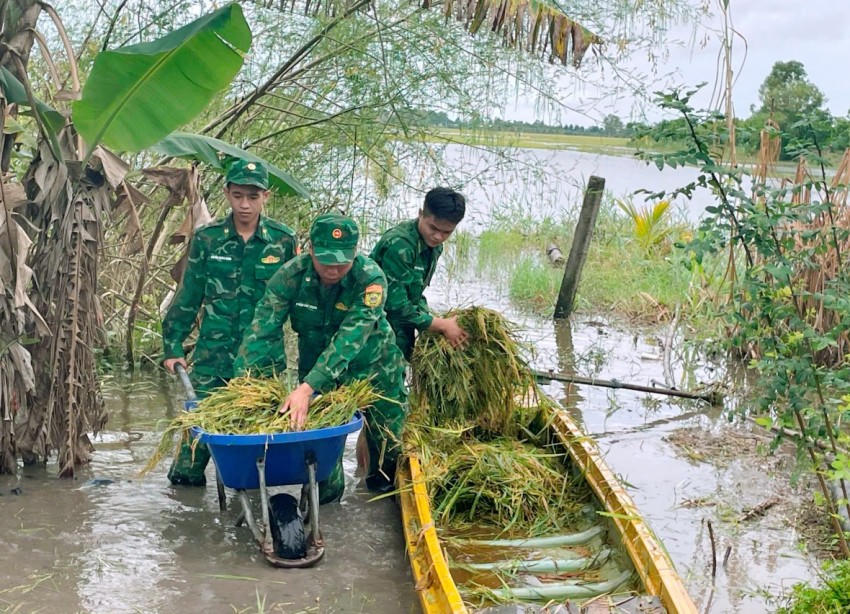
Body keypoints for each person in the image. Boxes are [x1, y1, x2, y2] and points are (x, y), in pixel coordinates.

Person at [234, 213, 407, 500]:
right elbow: (261, 330)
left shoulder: (370, 279)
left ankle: (377, 503)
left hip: (375, 369)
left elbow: (350, 339)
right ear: (310, 249)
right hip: (318, 371)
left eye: (342, 262)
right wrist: (243, 383)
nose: (333, 269)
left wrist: (306, 388)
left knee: (387, 455)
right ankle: (324, 508)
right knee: (321, 464)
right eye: (325, 260)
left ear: (355, 252)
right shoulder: (290, 277)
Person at [161, 159, 297, 485]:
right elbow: (189, 295)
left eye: (252, 196)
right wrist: (173, 345)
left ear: (266, 196)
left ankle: (251, 500)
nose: (244, 205)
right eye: (238, 196)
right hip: (213, 357)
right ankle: (184, 506)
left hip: (262, 363)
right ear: (227, 194)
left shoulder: (282, 241)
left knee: (258, 449)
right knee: (189, 460)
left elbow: (296, 301)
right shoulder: (208, 239)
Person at [370, 187, 469, 361]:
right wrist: (440, 325)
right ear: (421, 214)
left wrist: (430, 319)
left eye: (447, 232)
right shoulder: (400, 246)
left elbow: (415, 293)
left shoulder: (433, 245)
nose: (438, 237)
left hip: (400, 326)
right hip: (375, 326)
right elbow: (394, 305)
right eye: (433, 228)